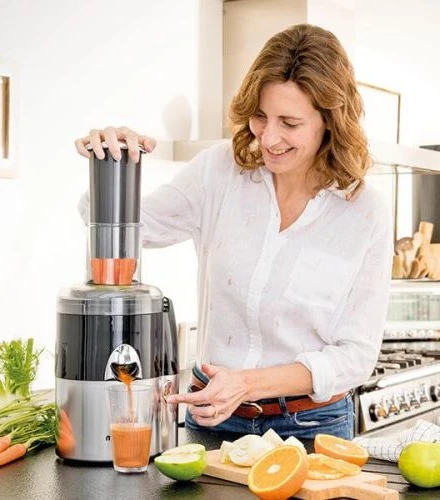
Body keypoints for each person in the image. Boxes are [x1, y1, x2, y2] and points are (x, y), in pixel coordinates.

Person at [75, 24, 393, 440]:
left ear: (330, 122)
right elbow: (131, 227)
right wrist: (111, 165)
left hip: (312, 425)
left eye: (290, 123)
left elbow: (356, 355)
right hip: (213, 417)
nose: (269, 138)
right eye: (260, 116)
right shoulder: (219, 171)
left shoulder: (365, 212)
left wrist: (247, 384)